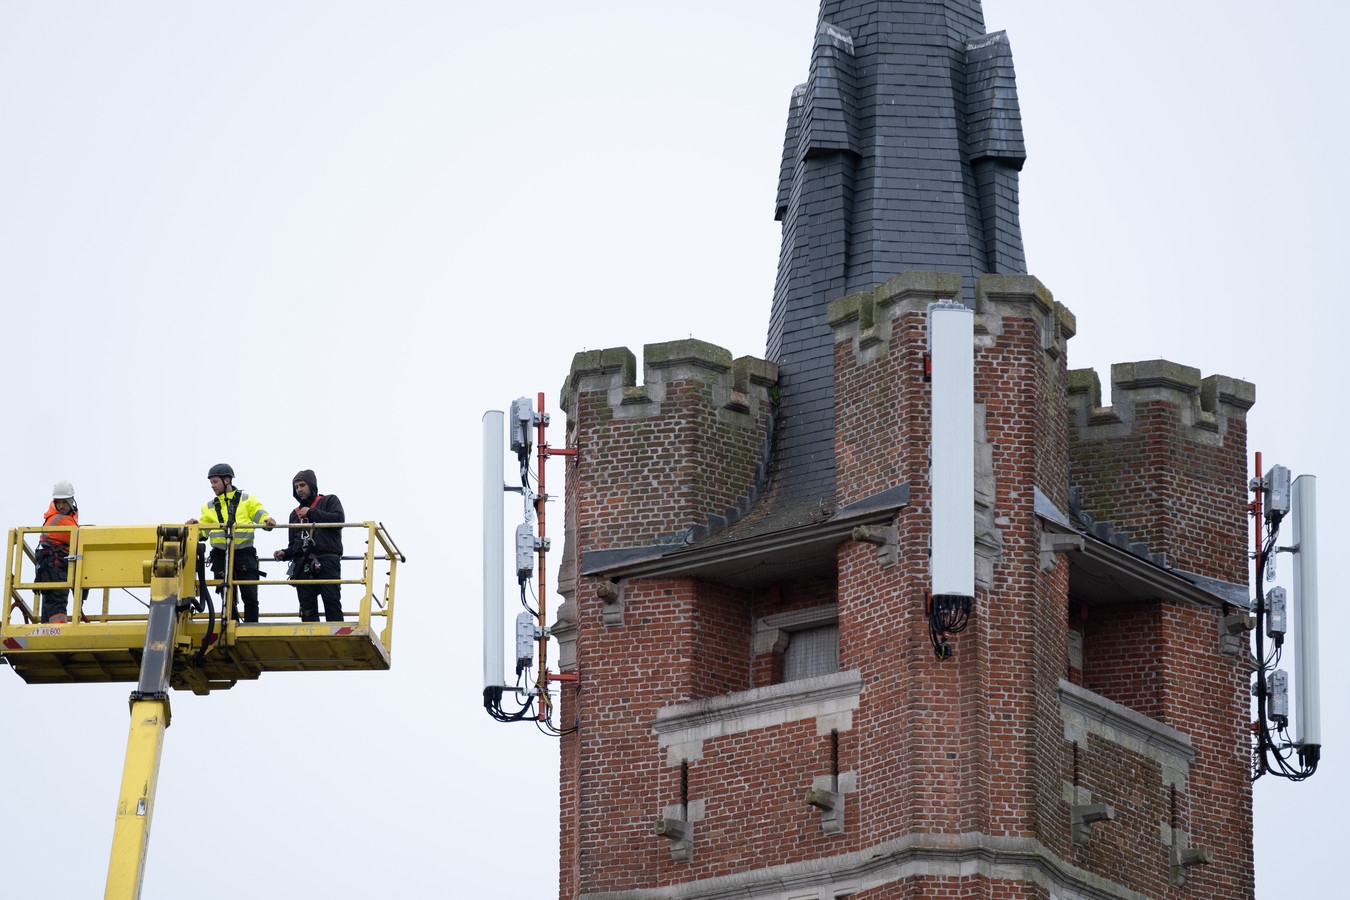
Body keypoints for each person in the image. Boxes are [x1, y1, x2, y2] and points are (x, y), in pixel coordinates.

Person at [186, 463, 276, 623]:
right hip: (220, 557)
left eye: (215, 482)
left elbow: (259, 513)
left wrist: (267, 520)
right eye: (211, 483)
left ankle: (251, 628)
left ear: (227, 480)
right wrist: (194, 528)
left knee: (250, 595)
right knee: (226, 597)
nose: (212, 486)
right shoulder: (208, 507)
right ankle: (230, 627)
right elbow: (203, 533)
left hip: (244, 555)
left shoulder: (248, 500)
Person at [273, 469, 345, 622]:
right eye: (296, 487)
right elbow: (294, 545)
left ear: (311, 485)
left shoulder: (329, 501)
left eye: (302, 485)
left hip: (327, 558)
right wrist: (285, 553)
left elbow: (339, 521)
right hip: (303, 563)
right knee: (307, 609)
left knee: (331, 602)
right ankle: (313, 642)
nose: (299, 489)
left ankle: (338, 639)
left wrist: (311, 513)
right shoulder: (294, 514)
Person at [35, 480, 79, 624]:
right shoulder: (60, 520)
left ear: (71, 501)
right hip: (55, 567)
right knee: (58, 600)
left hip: (50, 566)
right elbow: (79, 540)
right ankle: (57, 632)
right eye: (58, 502)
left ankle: (48, 631)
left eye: (64, 502)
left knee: (50, 603)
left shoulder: (57, 518)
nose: (61, 506)